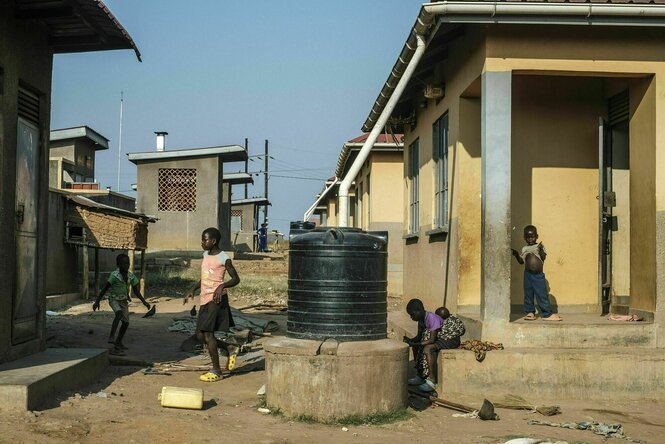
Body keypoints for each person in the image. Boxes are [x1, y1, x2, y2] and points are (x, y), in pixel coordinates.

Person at [183, 227, 240, 382]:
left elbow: (236, 279)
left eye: (205, 239)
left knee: (208, 334)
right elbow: (206, 277)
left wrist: (222, 286)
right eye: (202, 239)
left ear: (213, 241)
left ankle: (216, 371)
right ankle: (229, 347)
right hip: (204, 298)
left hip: (217, 299)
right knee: (200, 335)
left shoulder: (224, 258)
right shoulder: (205, 255)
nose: (202, 242)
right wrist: (192, 289)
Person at [92, 253, 151, 355]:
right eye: (123, 263)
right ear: (118, 265)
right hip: (113, 299)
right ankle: (111, 336)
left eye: (127, 263)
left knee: (126, 323)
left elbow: (136, 291)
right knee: (118, 314)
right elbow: (105, 288)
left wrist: (144, 302)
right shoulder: (114, 275)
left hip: (123, 301)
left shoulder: (130, 276)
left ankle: (119, 342)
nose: (126, 265)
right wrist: (97, 301)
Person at [511, 225, 562, 321]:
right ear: (524, 237)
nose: (530, 238)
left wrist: (541, 250)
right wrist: (516, 254)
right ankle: (530, 312)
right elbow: (522, 262)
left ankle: (547, 314)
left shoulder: (539, 246)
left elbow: (543, 258)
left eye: (532, 236)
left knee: (541, 294)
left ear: (537, 236)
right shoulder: (524, 249)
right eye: (527, 237)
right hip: (527, 275)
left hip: (538, 275)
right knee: (528, 294)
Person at [403, 298, 443, 392]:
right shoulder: (421, 320)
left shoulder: (431, 317)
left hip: (443, 339)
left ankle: (432, 381)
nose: (411, 317)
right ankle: (420, 376)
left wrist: (416, 343)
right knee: (416, 346)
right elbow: (418, 337)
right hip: (431, 340)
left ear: (419, 311)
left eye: (412, 314)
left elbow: (432, 339)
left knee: (427, 349)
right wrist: (410, 341)